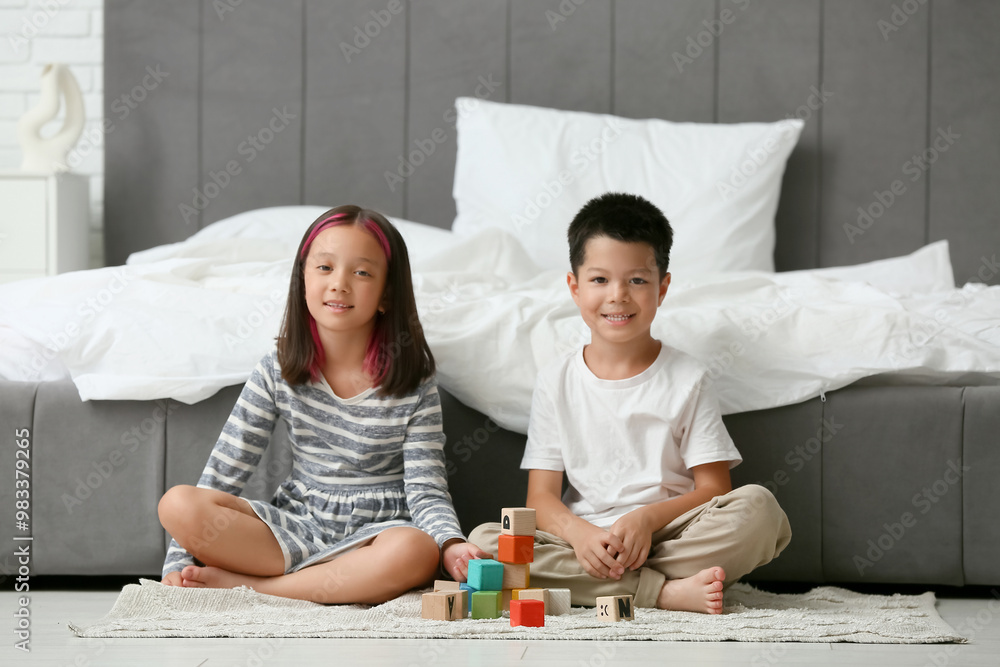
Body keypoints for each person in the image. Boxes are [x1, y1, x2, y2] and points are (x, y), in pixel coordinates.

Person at [469, 192, 791, 614]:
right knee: (485, 543)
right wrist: (582, 536)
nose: (618, 295)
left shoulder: (688, 377)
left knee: (760, 511)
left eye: (637, 280)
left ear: (663, 288)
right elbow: (541, 499)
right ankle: (663, 593)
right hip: (582, 539)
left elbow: (714, 489)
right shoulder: (556, 380)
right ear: (574, 287)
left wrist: (646, 520)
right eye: (600, 280)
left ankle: (616, 585)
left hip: (668, 533)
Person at [158, 205, 489, 604]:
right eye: (325, 268)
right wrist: (178, 559)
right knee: (178, 503)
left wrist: (450, 542)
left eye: (362, 272)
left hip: (376, 538)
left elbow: (426, 489)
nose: (340, 284)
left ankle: (257, 589)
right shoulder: (277, 368)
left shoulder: (413, 382)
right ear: (302, 280)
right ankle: (317, 580)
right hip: (296, 529)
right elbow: (224, 471)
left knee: (416, 550)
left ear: (387, 293)